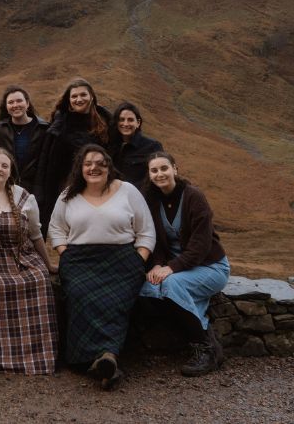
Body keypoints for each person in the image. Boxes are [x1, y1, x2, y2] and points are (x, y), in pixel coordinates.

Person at [48, 144, 155, 390]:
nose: (93, 167)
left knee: (116, 301)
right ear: (80, 168)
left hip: (122, 259)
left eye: (99, 163)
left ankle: (103, 358)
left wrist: (139, 258)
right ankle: (105, 358)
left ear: (109, 166)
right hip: (79, 260)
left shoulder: (127, 191)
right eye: (88, 164)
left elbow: (146, 230)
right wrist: (65, 254)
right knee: (80, 295)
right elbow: (56, 229)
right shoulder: (68, 195)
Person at [0, 148, 58, 375]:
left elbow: (35, 235)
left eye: (5, 166)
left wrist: (48, 264)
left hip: (19, 257)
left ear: (10, 171)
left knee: (39, 280)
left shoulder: (23, 196)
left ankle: (36, 357)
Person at [139, 151, 229, 376]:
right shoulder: (152, 200)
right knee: (146, 288)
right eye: (154, 170)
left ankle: (205, 349)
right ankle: (210, 341)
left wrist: (170, 268)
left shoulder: (193, 196)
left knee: (172, 286)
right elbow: (156, 241)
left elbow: (200, 245)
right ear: (149, 175)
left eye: (164, 168)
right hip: (176, 268)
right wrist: (158, 264)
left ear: (175, 170)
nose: (160, 174)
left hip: (210, 267)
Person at [35, 78, 111, 235]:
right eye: (74, 96)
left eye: (83, 95)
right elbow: (47, 160)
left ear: (92, 97)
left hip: (100, 185)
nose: (79, 99)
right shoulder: (60, 125)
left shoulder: (106, 121)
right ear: (69, 101)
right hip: (69, 186)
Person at [0, 85, 48, 193]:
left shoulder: (44, 130)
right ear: (6, 107)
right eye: (11, 102)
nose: (15, 105)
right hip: (6, 188)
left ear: (27, 104)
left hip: (37, 190)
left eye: (19, 101)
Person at [107, 101, 163, 189]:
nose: (125, 124)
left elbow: (159, 175)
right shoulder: (110, 145)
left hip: (140, 198)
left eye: (130, 120)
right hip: (113, 197)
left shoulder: (152, 146)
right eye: (121, 119)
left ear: (138, 123)